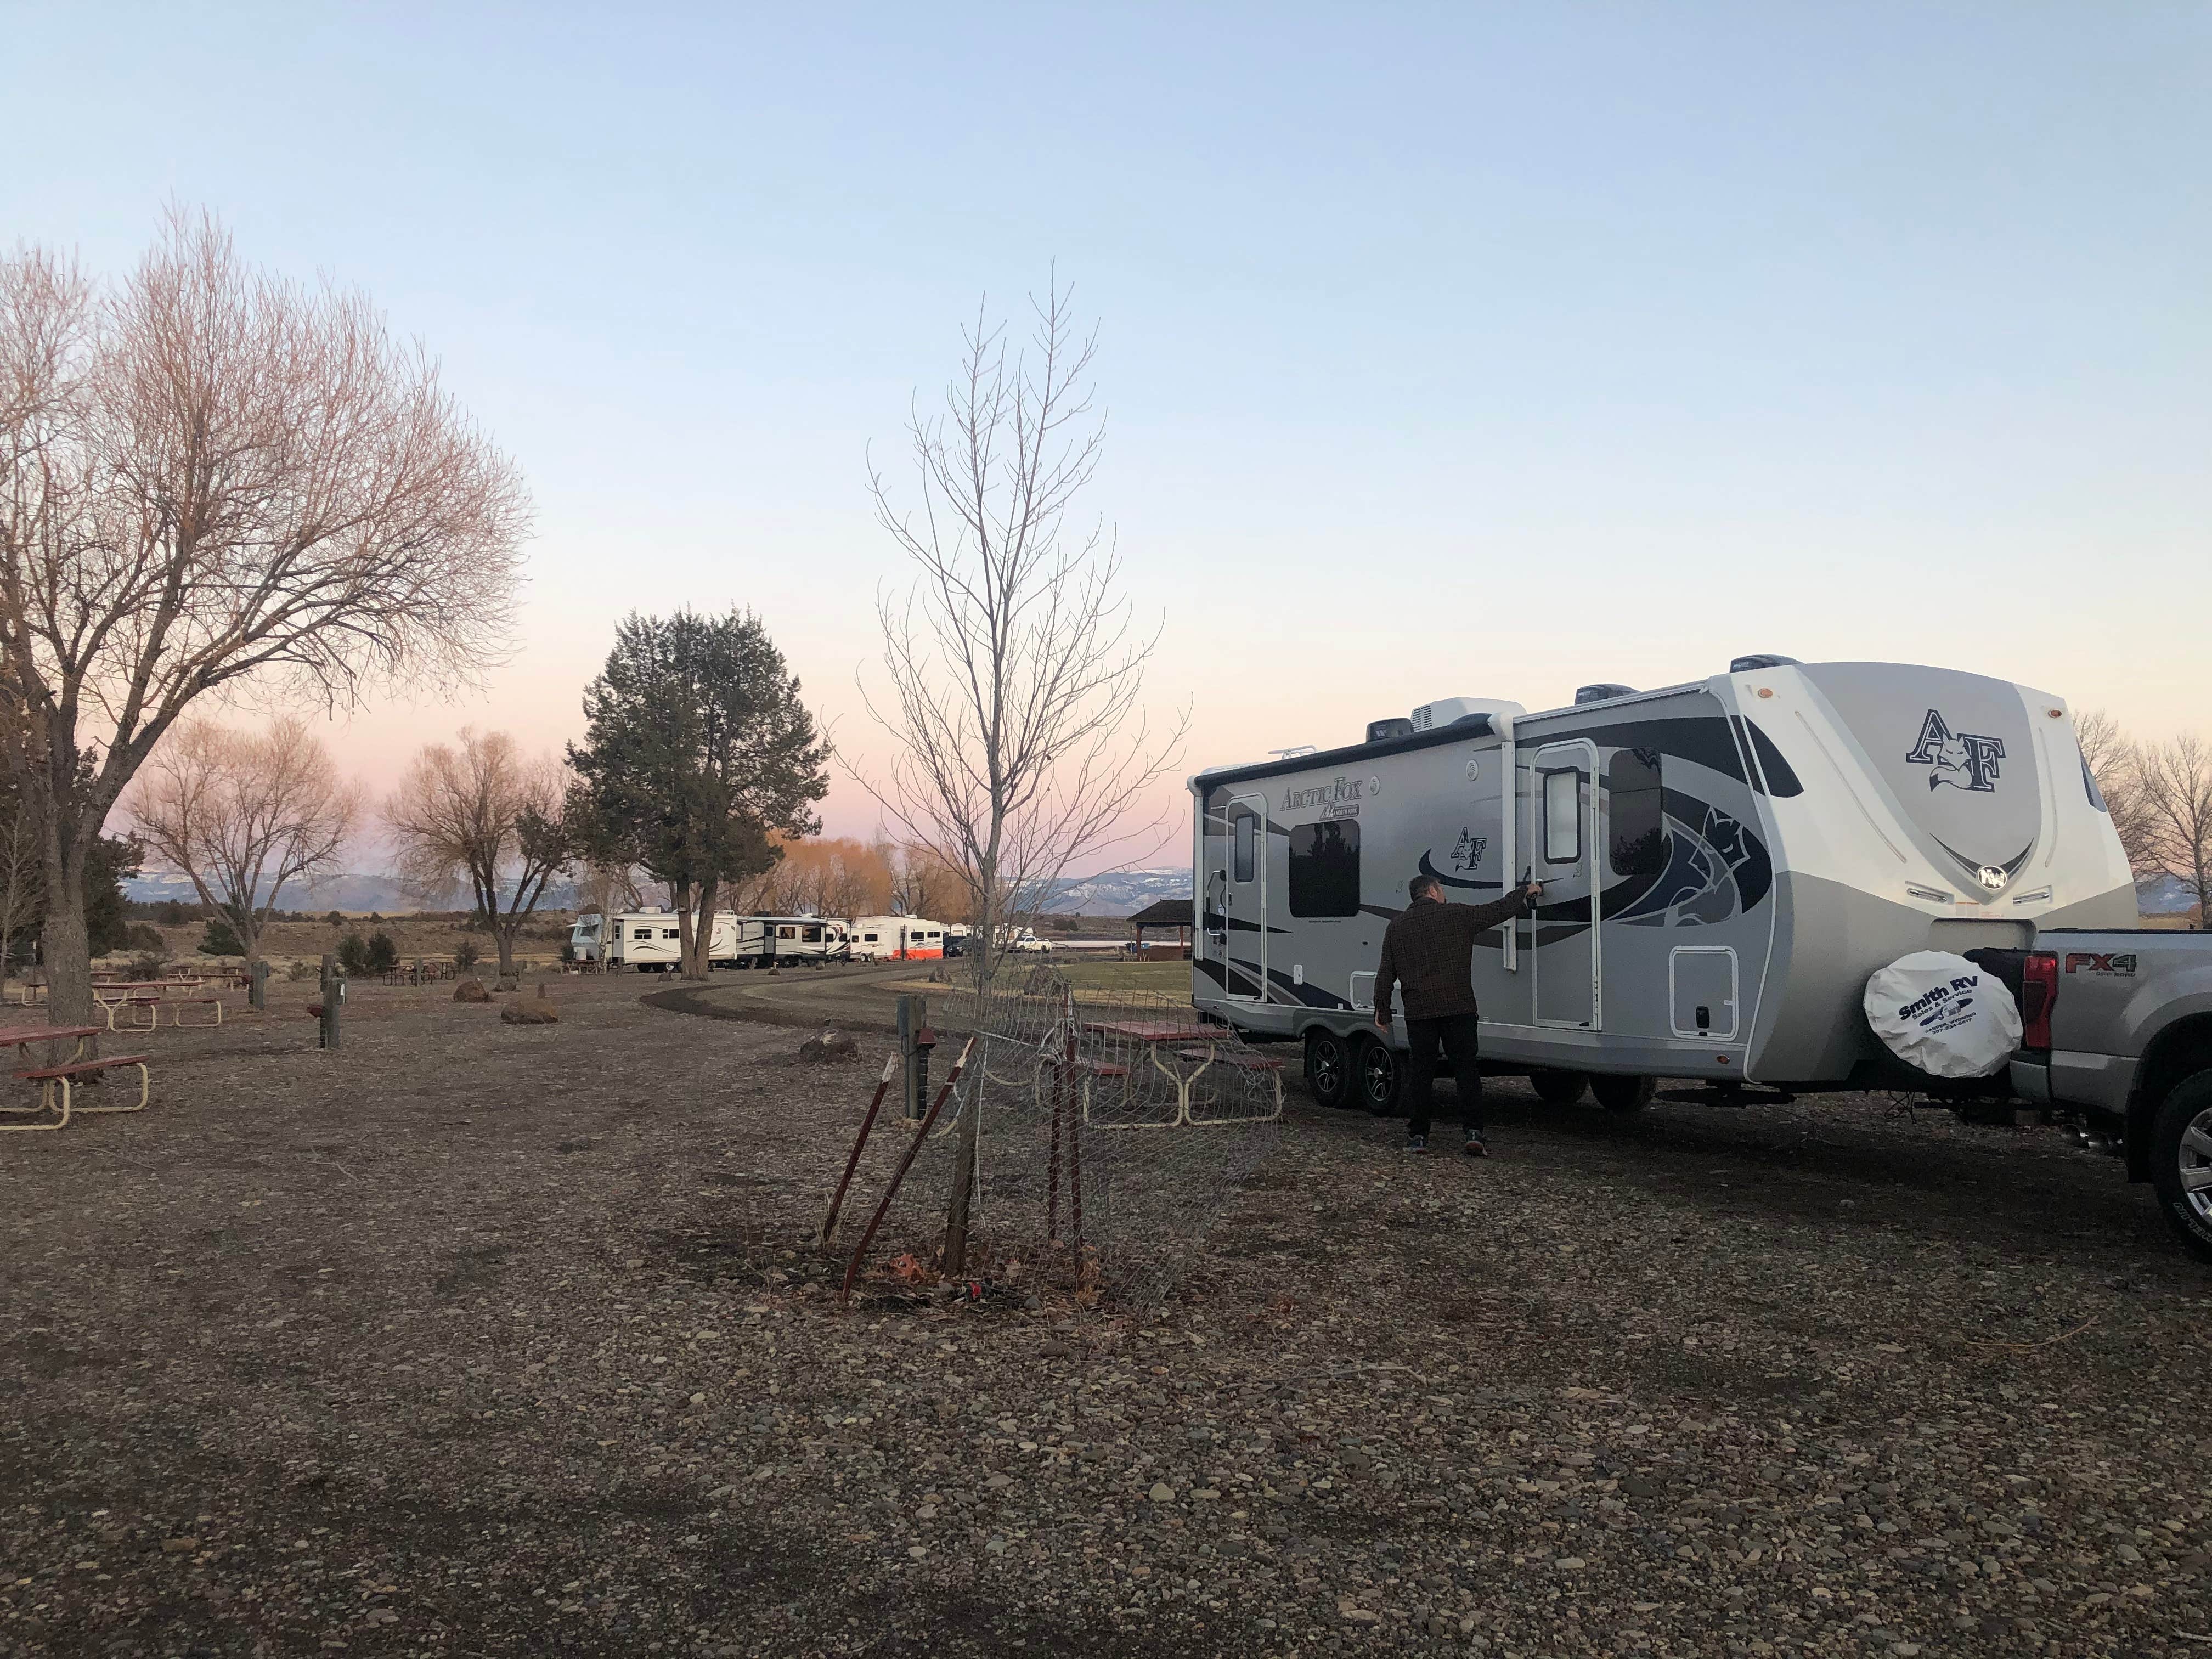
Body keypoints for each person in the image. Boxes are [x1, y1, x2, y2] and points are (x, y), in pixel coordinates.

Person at [1373, 872, 1543, 1155]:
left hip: (1419, 1011)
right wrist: (1524, 892)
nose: (1444, 894)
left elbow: (1386, 972)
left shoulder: (1396, 927)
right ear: (1431, 891)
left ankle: (1418, 1137)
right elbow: (1495, 911)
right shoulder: (1456, 915)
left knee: (1421, 1074)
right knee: (1466, 1071)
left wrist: (1382, 1008)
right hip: (1458, 1008)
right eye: (1441, 889)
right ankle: (1473, 1133)